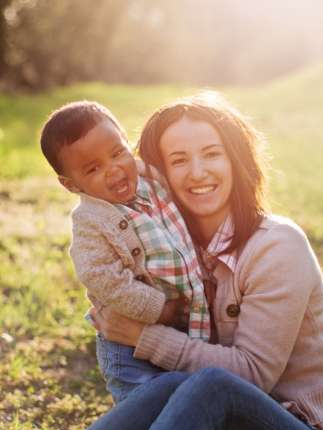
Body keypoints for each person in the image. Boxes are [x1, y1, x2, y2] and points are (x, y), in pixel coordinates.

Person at [31, 92, 323, 430]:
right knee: (177, 386)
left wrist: (146, 336)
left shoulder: (277, 246)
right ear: (156, 173)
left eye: (212, 154)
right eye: (178, 160)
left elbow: (251, 376)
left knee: (209, 385)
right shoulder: (171, 253)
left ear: (236, 159)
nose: (197, 172)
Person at [39, 101, 210, 403]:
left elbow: (157, 166)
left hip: (185, 322)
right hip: (127, 338)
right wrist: (159, 309)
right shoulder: (90, 220)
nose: (114, 169)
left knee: (185, 392)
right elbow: (102, 277)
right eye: (93, 168)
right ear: (70, 184)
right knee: (142, 403)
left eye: (118, 153)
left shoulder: (150, 183)